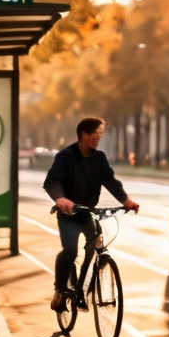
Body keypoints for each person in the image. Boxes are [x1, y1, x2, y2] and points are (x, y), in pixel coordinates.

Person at [43, 117, 139, 311]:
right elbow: (52, 181)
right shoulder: (65, 156)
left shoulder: (99, 158)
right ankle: (60, 290)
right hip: (68, 215)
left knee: (96, 246)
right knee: (70, 251)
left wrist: (125, 200)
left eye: (100, 134)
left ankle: (82, 287)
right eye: (96, 134)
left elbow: (110, 181)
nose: (98, 138)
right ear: (84, 134)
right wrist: (61, 199)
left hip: (87, 213)